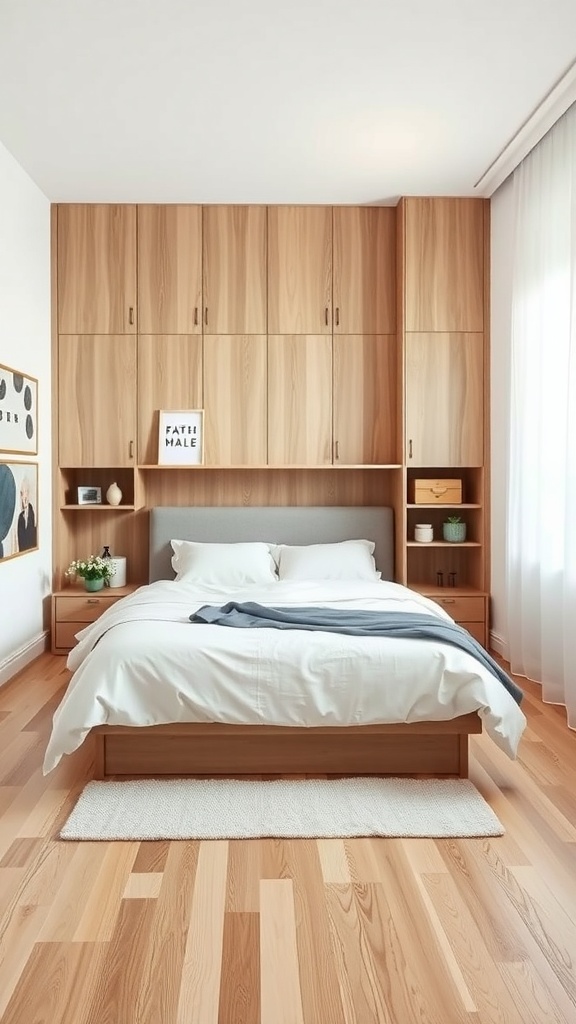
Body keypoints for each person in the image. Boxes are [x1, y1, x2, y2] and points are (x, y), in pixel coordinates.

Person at [17, 475, 37, 551]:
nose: (24, 496)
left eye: (26, 492)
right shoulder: (20, 517)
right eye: (22, 493)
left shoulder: (33, 513)